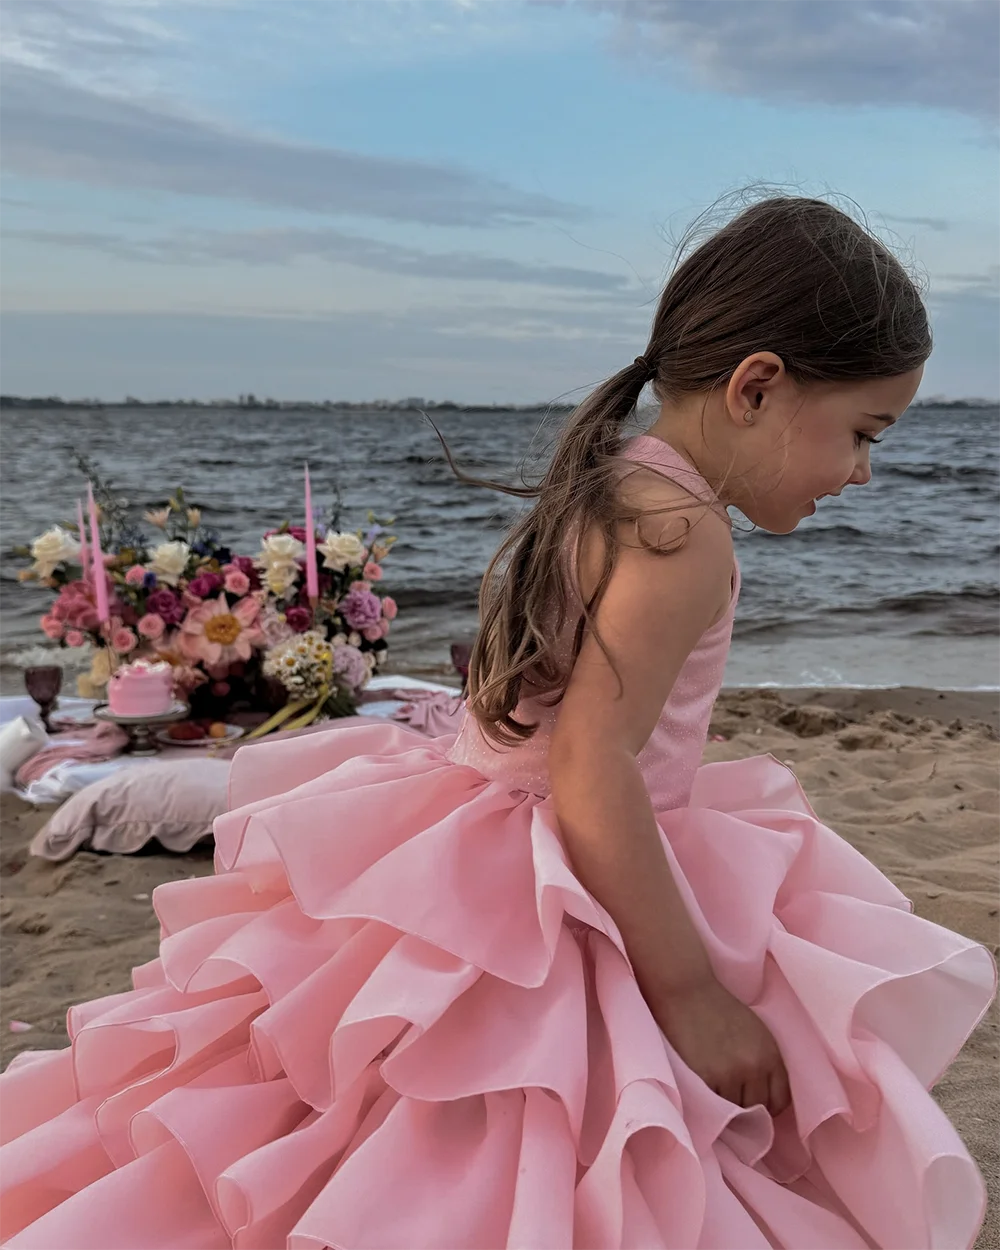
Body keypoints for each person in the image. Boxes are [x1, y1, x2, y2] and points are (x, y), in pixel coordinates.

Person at [0, 195, 995, 1250]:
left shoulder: (613, 480)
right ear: (756, 385)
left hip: (478, 832)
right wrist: (691, 988)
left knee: (399, 1110)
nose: (862, 472)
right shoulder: (684, 530)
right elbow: (593, 759)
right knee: (546, 1112)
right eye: (861, 433)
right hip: (559, 876)